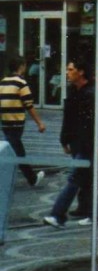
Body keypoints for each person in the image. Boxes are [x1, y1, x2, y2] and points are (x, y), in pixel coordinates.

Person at [43, 60, 98, 228]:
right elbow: (69, 118)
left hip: (89, 144)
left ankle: (57, 215)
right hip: (77, 142)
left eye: (70, 69)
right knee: (86, 180)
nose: (67, 72)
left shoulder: (95, 93)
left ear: (81, 72)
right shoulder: (74, 91)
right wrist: (64, 139)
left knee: (74, 178)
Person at [0, 55, 47, 188]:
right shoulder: (21, 82)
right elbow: (29, 105)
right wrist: (39, 123)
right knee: (17, 151)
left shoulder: (3, 82)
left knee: (14, 150)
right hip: (17, 122)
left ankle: (30, 178)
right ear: (21, 67)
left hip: (5, 122)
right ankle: (32, 178)